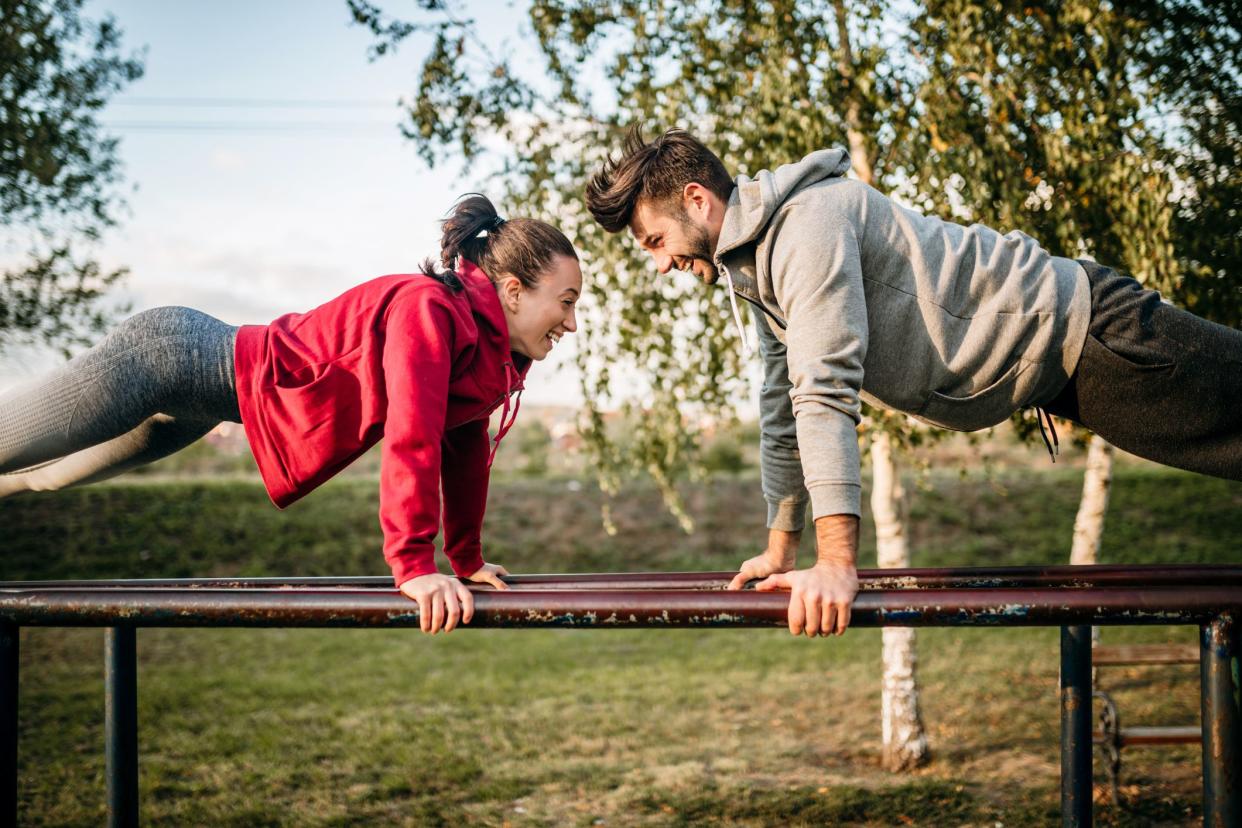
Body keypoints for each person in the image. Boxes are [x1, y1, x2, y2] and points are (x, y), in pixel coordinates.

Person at [585, 128, 1242, 638]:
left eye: (654, 240)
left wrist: (838, 563)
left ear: (697, 201)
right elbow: (784, 409)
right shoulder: (758, 273)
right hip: (1066, 370)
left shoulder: (805, 226)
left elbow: (824, 391)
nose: (662, 263)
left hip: (1096, 329)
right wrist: (781, 548)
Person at [0, 194, 582, 634]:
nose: (572, 323)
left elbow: (464, 450)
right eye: (566, 302)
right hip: (169, 357)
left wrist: (467, 559)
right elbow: (414, 435)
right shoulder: (428, 310)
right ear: (512, 290)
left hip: (205, 400)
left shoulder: (490, 357)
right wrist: (412, 564)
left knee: (37, 476)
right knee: (11, 446)